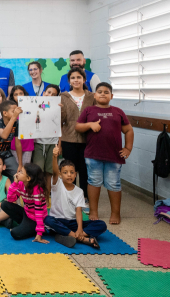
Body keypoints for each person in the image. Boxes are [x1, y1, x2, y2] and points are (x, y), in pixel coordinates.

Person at [75, 82, 134, 225]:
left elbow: (128, 130)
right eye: (99, 91)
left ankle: (115, 213)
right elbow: (78, 126)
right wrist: (90, 125)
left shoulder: (118, 111)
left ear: (111, 96)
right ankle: (94, 211)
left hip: (114, 156)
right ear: (95, 95)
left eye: (106, 92)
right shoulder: (88, 110)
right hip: (93, 154)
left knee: (113, 184)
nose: (102, 94)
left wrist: (128, 148)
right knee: (94, 181)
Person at [44, 147, 106, 248]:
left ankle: (72, 235)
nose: (69, 175)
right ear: (60, 174)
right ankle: (83, 239)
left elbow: (78, 211)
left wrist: (80, 229)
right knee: (47, 219)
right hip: (58, 220)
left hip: (73, 223)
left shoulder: (79, 191)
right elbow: (54, 172)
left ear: (75, 174)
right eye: (65, 172)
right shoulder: (57, 184)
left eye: (72, 172)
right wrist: (54, 157)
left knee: (101, 224)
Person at [60, 67, 95, 199]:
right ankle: (71, 197)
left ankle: (85, 197)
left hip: (88, 140)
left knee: (85, 170)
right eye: (73, 78)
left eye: (79, 77)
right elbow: (61, 120)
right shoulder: (63, 97)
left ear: (84, 79)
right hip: (68, 139)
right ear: (69, 81)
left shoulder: (92, 97)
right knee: (70, 170)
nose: (76, 80)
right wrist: (60, 111)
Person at [1, 163, 48, 242]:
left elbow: (39, 212)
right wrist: (15, 184)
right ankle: (25, 226)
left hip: (35, 219)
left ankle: (35, 229)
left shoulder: (37, 190)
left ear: (28, 178)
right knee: (5, 204)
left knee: (15, 233)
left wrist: (39, 233)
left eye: (21, 172)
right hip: (26, 213)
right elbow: (10, 199)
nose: (18, 173)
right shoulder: (21, 184)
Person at [33, 84, 61, 190]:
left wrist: (59, 144)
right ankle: (37, 194)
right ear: (44, 93)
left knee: (49, 172)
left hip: (53, 143)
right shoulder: (35, 105)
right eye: (49, 92)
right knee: (38, 170)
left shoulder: (58, 108)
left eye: (54, 94)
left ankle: (47, 195)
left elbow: (60, 128)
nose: (50, 95)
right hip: (38, 142)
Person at [9, 86, 34, 166]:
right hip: (15, 142)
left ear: (25, 94)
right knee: (16, 167)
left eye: (21, 93)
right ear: (12, 97)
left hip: (28, 142)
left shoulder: (31, 107)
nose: (19, 96)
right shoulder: (10, 109)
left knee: (26, 167)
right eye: (16, 94)